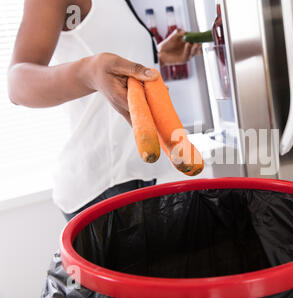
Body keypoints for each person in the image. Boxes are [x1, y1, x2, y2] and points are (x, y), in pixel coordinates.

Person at [8, 0, 202, 220]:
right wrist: (88, 73)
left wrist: (158, 56)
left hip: (136, 175)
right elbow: (17, 84)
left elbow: (108, 59)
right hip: (104, 186)